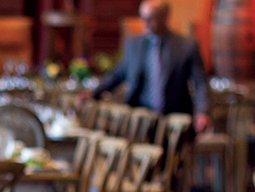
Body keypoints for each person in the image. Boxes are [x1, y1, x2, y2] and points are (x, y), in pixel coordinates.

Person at [89, 0, 210, 132]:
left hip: (174, 118)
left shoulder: (186, 46)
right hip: (141, 118)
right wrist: (93, 93)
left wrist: (202, 112)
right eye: (142, 17)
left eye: (150, 18)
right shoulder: (133, 45)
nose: (144, 22)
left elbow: (200, 83)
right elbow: (118, 75)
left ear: (165, 17)